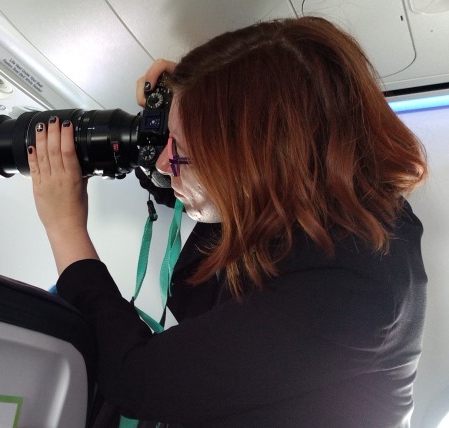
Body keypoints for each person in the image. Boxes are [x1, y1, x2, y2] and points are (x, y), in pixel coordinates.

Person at [25, 16, 428, 427]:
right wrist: (192, 101)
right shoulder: (325, 194)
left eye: (180, 152)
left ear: (258, 161)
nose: (165, 164)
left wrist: (65, 227)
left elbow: (136, 380)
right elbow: (216, 195)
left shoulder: (351, 289)